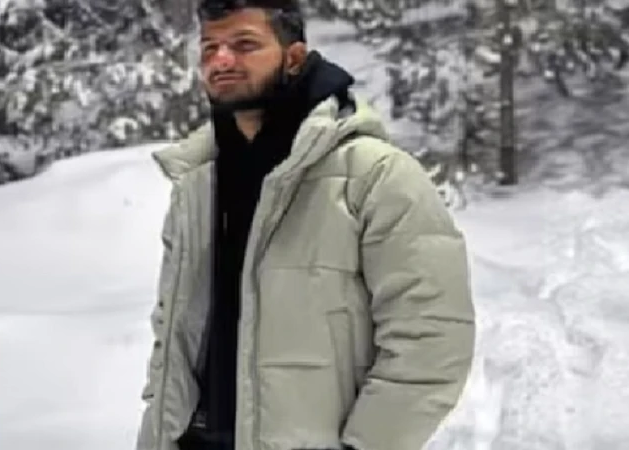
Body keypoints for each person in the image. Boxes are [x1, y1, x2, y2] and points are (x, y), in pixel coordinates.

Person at [136, 1, 475, 449]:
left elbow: (432, 338)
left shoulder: (373, 176)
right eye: (209, 48)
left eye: (244, 44)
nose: (221, 60)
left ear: (293, 57)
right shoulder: (196, 186)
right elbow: (171, 340)